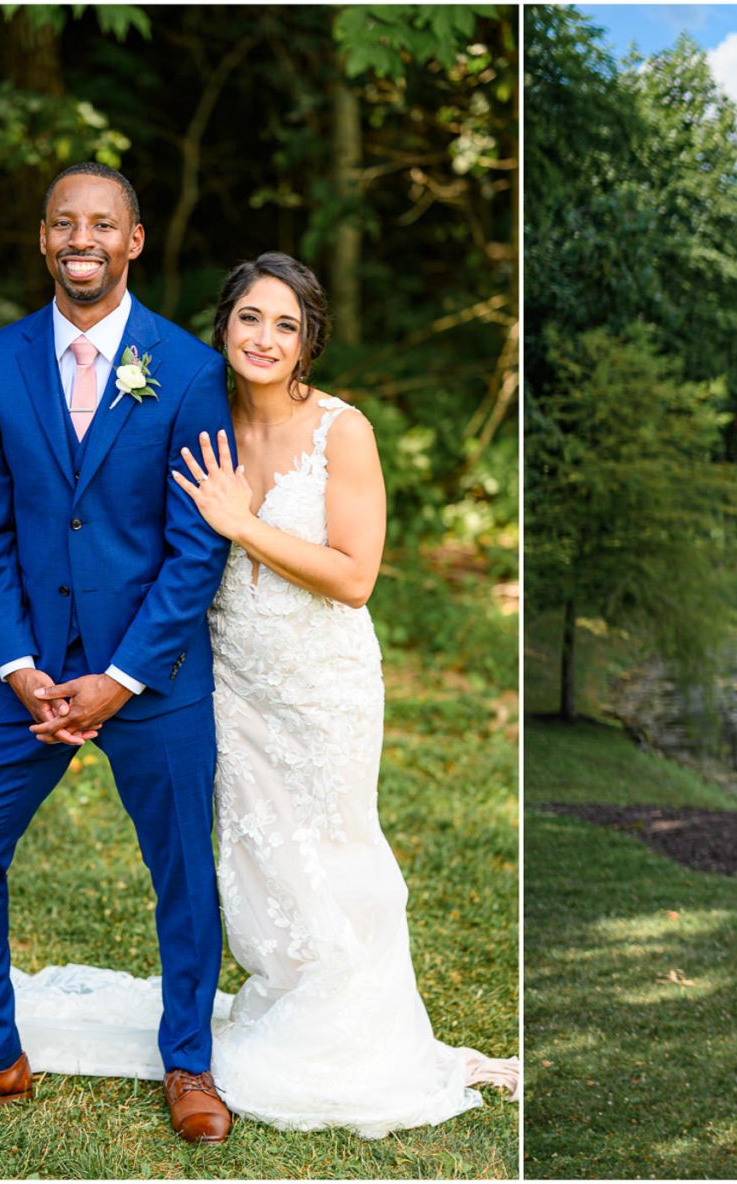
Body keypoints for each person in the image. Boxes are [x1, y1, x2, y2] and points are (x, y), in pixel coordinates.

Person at [0, 166, 515, 1142]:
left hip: (155, 672)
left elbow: (199, 547)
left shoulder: (189, 369)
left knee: (185, 868)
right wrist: (19, 664)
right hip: (29, 673)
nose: (83, 236)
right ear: (41, 238)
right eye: (64, 221)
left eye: (102, 222)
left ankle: (189, 1060)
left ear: (133, 241)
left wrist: (117, 679)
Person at [169, 250, 521, 1134]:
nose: (264, 337)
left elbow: (356, 576)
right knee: (259, 856)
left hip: (321, 686)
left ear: (309, 341)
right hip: (233, 681)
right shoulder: (196, 416)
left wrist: (242, 524)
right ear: (225, 324)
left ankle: (351, 1030)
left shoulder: (342, 431)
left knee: (336, 848)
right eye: (251, 317)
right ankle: (287, 996)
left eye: (286, 324)